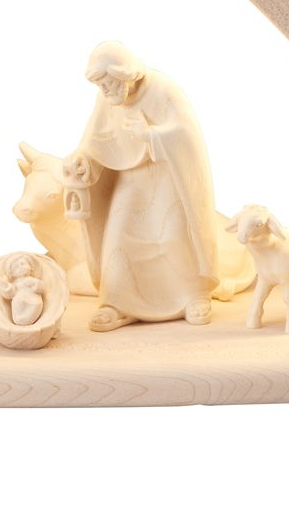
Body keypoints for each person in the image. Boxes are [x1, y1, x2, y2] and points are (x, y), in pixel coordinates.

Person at [65, 42, 222, 331]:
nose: (105, 90)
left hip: (167, 178)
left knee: (173, 232)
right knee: (118, 236)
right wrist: (82, 159)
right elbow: (97, 141)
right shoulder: (108, 99)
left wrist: (150, 135)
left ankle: (192, 295)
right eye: (100, 85)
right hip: (130, 180)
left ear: (123, 74)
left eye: (108, 83)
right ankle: (116, 302)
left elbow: (187, 137)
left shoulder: (164, 90)